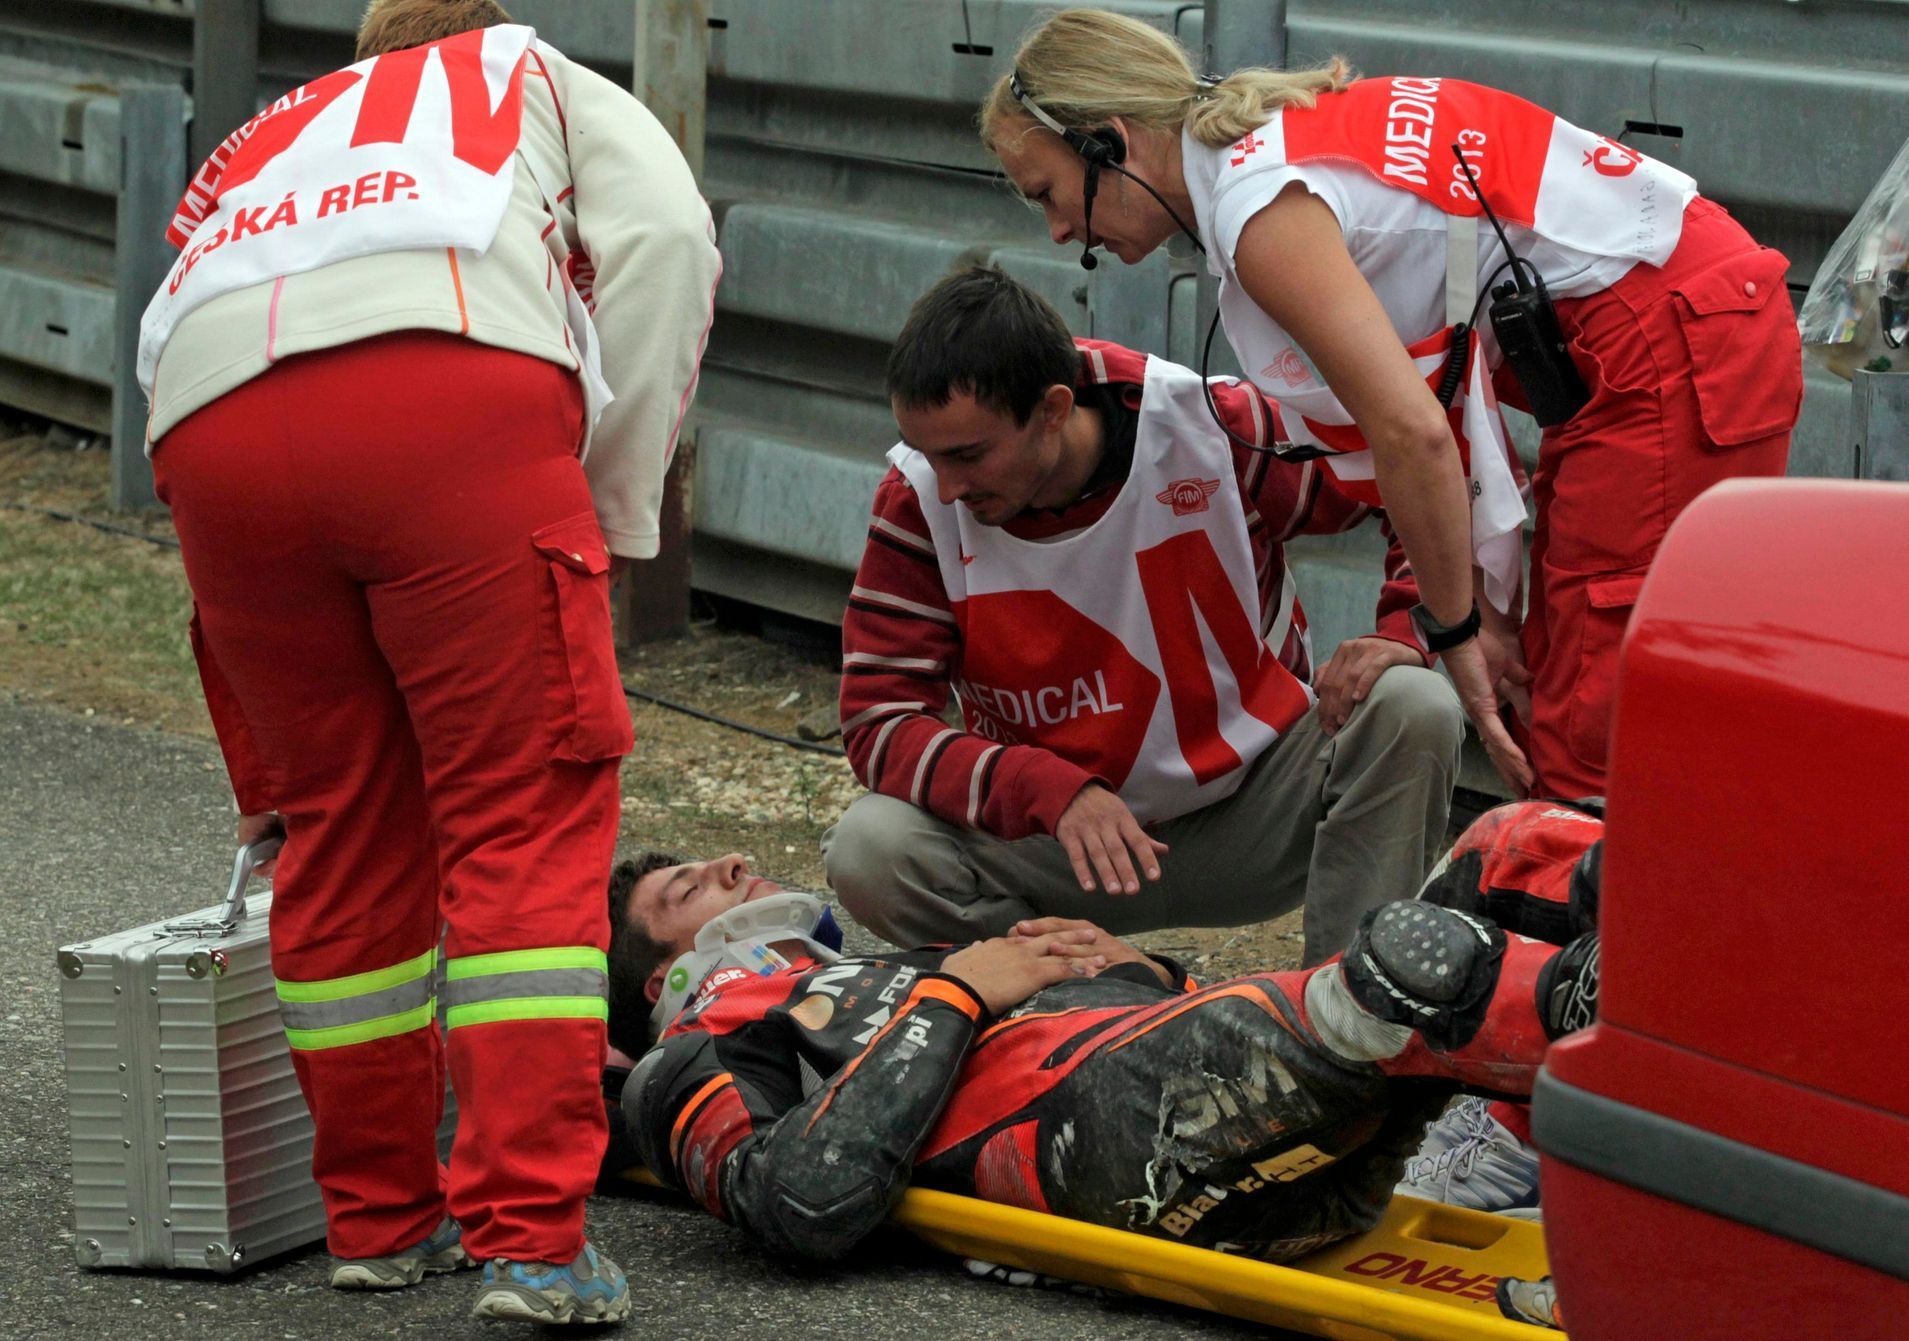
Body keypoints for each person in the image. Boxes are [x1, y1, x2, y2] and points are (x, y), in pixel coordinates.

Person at [139, 0, 720, 1323]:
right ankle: (531, 1240)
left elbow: (173, 326)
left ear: (362, 58)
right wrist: (612, 503)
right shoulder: (529, 72)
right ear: (487, 19)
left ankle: (381, 1223)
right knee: (522, 815)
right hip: (449, 399)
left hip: (211, 438)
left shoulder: (269, 129)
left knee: (341, 825)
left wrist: (258, 757)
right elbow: (672, 235)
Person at [980, 8, 1801, 805]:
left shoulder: (1257, 210)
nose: (1057, 230)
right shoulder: (1279, 144)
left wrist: (1447, 630)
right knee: (1574, 672)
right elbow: (1440, 385)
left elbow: (1410, 431)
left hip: (1665, 338)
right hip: (1678, 314)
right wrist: (1468, 610)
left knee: (1600, 715)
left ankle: (1605, 929)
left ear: (1108, 143)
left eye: (1047, 192)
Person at [599, 800, 1602, 1330]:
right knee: (1414, 972)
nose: (729, 867)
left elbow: (1108, 1046)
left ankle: (1725, 971)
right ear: (659, 982)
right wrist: (959, 992)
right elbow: (800, 1201)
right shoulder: (688, 1054)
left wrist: (1132, 972)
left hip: (1178, 1124)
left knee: (1513, 846)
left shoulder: (891, 971)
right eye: (686, 887)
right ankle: (1683, 1165)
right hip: (1076, 1152)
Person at [824, 265, 1465, 967]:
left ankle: (1345, 1018)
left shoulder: (1210, 429)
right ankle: (1074, 1003)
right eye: (927, 455)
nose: (947, 487)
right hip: (1060, 846)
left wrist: (1406, 628)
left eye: (969, 455)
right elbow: (879, 722)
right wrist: (1045, 790)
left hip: (1253, 811)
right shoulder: (918, 499)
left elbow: (1426, 466)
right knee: (872, 849)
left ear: (1053, 409)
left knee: (1413, 702)